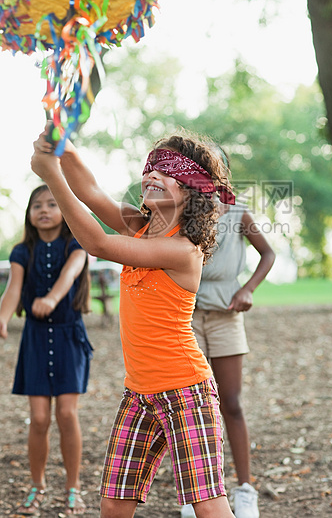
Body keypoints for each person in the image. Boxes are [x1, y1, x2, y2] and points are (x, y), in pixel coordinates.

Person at [31, 128, 237, 518]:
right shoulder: (138, 225)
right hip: (139, 393)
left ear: (192, 190)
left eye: (168, 170)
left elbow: (98, 244)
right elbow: (90, 191)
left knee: (208, 505)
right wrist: (65, 150)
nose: (153, 175)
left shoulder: (182, 250)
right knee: (114, 503)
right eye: (150, 167)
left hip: (186, 391)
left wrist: (51, 176)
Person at [181, 152, 275, 518]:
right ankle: (197, 494)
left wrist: (248, 289)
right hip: (185, 318)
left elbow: (267, 254)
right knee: (193, 408)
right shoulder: (182, 213)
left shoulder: (237, 213)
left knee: (230, 403)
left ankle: (244, 487)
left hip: (225, 317)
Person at [0, 184, 92, 516]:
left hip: (69, 338)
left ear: (64, 210)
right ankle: (37, 486)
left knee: (67, 414)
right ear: (29, 214)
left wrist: (52, 298)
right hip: (36, 341)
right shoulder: (22, 251)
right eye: (37, 205)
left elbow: (70, 274)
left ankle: (73, 488)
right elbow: (14, 289)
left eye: (52, 204)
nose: (44, 210)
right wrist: (2, 317)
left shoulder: (77, 243)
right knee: (39, 419)